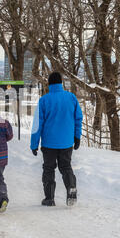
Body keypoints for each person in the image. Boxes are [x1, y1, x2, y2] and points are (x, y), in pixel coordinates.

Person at [30, 72, 83, 207]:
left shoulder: (44, 100)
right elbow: (78, 119)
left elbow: (37, 124)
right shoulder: (71, 98)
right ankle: (71, 188)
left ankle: (49, 198)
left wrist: (34, 144)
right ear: (61, 83)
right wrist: (77, 137)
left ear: (49, 84)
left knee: (48, 169)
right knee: (66, 167)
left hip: (49, 143)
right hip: (66, 142)